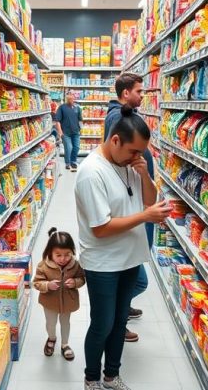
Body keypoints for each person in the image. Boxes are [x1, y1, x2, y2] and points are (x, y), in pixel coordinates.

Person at [76, 106, 172, 390]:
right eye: (133, 151)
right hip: (104, 263)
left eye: (141, 153)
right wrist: (145, 217)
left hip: (130, 259)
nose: (137, 157)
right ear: (114, 140)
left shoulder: (129, 164)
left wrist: (144, 174)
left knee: (119, 323)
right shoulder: (91, 173)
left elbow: (148, 200)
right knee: (102, 325)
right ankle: (91, 378)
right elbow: (100, 228)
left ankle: (111, 376)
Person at [103, 72, 153, 341]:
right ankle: (116, 318)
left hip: (134, 201)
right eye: (139, 91)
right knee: (137, 279)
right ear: (125, 93)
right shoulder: (119, 118)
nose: (143, 95)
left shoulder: (123, 114)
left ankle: (122, 307)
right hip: (128, 209)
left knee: (132, 274)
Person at [33, 227, 86, 361]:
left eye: (67, 254)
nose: (63, 259)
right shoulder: (43, 266)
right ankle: (51, 338)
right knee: (50, 323)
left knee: (65, 322)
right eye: (58, 255)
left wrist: (75, 282)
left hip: (68, 301)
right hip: (49, 302)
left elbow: (82, 278)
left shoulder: (75, 265)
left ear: (72, 252)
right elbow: (36, 282)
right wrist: (47, 285)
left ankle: (65, 344)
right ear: (50, 253)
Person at [54, 92, 83, 170]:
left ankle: (73, 161)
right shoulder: (62, 107)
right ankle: (67, 163)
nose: (71, 99)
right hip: (65, 133)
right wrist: (60, 132)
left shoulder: (77, 108)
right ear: (66, 98)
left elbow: (80, 120)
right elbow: (57, 121)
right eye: (69, 98)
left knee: (76, 147)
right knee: (69, 147)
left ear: (74, 98)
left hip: (76, 132)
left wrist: (81, 129)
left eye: (72, 97)